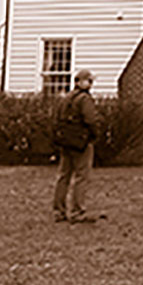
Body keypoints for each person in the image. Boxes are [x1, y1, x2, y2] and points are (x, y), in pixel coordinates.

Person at [52, 69, 103, 223]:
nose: (91, 84)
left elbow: (56, 118)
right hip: (81, 143)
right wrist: (94, 135)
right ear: (81, 82)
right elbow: (90, 120)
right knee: (82, 176)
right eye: (89, 81)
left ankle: (59, 211)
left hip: (65, 142)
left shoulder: (66, 98)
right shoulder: (85, 99)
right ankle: (77, 212)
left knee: (63, 176)